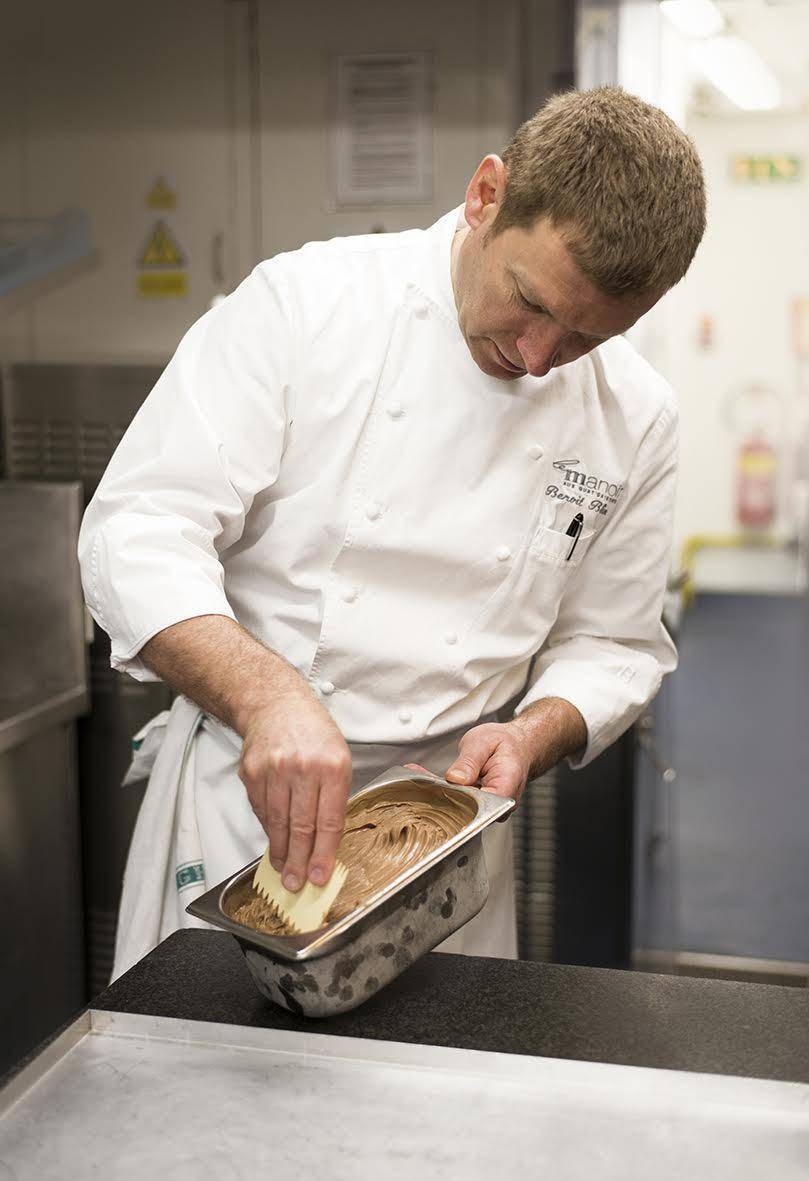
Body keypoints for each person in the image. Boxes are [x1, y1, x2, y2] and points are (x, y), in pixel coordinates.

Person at [79, 86, 706, 979]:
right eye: (526, 300)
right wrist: (266, 696)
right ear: (484, 194)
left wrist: (533, 730)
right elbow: (136, 528)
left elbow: (614, 642)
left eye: (580, 340)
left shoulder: (635, 413)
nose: (534, 358)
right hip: (244, 811)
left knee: (435, 1109)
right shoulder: (308, 306)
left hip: (444, 839)